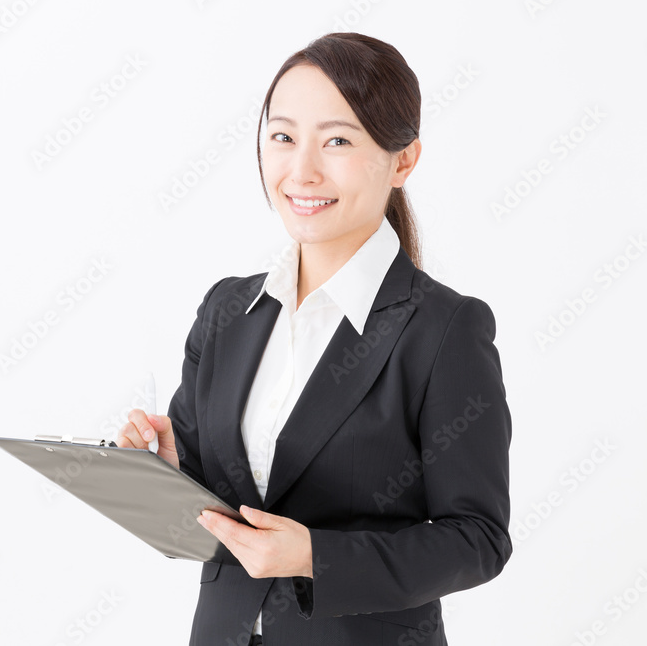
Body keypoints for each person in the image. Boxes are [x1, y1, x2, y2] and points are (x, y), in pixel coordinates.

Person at [117, 32, 511, 645]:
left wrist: (314, 556)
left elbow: (478, 539)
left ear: (402, 160)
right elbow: (220, 500)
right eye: (283, 137)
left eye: (337, 140)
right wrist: (167, 470)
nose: (301, 170)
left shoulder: (442, 329)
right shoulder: (229, 308)